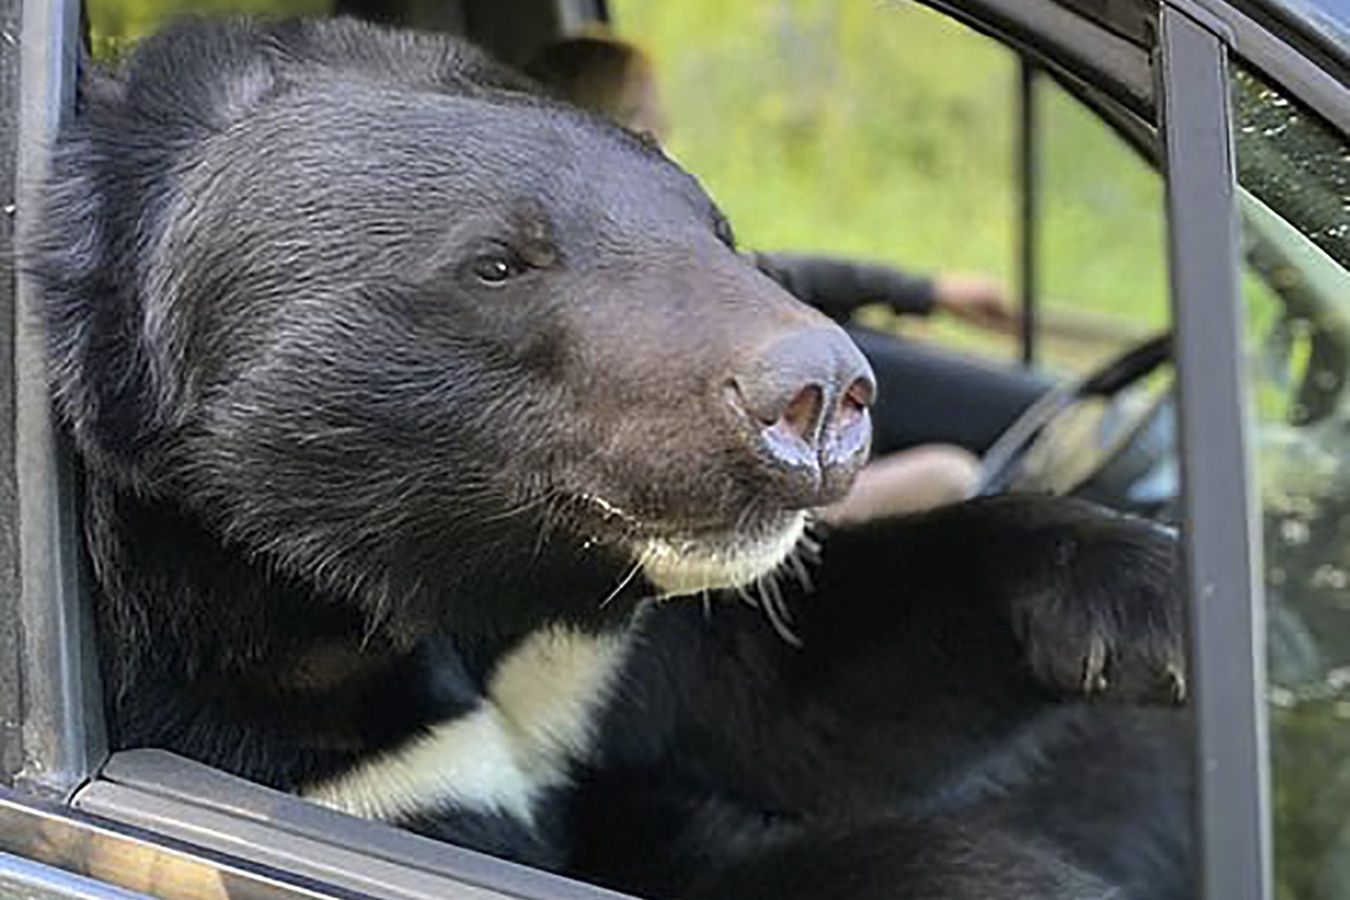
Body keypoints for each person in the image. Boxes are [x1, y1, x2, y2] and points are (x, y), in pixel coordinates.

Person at [527, 33, 1020, 523]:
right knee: (950, 475)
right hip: (731, 514)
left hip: (760, 481)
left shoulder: (659, 260)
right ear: (601, 140)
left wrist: (927, 293)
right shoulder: (608, 302)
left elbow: (784, 274)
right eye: (648, 126)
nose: (668, 151)